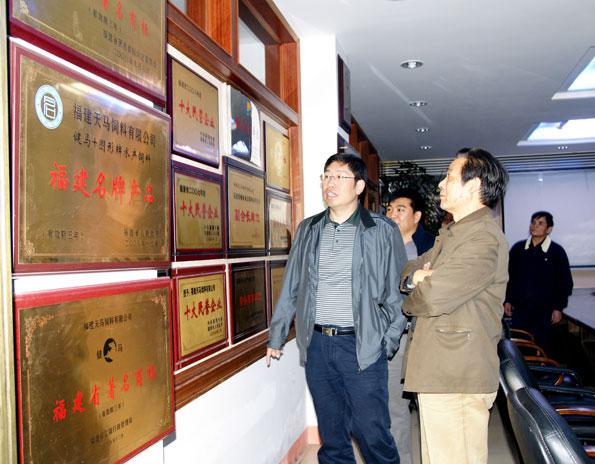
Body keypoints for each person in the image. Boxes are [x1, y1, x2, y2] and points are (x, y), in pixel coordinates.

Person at [267, 153, 407, 464]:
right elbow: (292, 284)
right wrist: (277, 334)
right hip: (318, 345)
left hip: (362, 345)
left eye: (339, 177)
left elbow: (398, 293)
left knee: (372, 432)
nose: (329, 183)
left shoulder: (381, 230)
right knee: (332, 437)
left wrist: (386, 341)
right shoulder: (309, 229)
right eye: (326, 176)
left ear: (359, 186)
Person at [400, 148, 509, 464]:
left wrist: (420, 286)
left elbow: (433, 296)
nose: (440, 185)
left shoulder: (482, 238)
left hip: (457, 373)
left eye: (449, 177)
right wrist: (416, 278)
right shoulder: (453, 232)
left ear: (473, 186)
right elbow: (408, 270)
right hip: (442, 369)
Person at [385, 188, 435, 464]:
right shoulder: (379, 243)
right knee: (395, 407)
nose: (392, 214)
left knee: (430, 408)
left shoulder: (431, 247)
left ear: (416, 216)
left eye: (400, 209)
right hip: (394, 339)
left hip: (424, 336)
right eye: (390, 209)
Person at [504, 211, 573, 350]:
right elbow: (508, 277)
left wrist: (558, 308)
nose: (534, 226)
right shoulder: (518, 249)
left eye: (540, 223)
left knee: (542, 348)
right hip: (521, 310)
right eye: (533, 222)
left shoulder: (557, 251)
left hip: (545, 312)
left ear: (549, 229)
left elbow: (565, 283)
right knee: (520, 347)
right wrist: (508, 300)